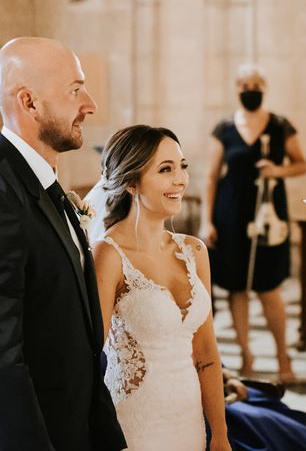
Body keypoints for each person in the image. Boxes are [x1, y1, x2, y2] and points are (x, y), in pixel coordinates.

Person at [0, 37, 125, 450]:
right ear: (29, 103)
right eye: (75, 90)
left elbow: (85, 352)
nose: (89, 104)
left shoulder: (41, 187)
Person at [87, 125, 231, 450]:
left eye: (182, 166)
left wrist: (219, 434)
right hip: (134, 422)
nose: (180, 179)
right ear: (131, 182)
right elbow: (88, 356)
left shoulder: (194, 251)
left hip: (189, 420)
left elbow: (206, 354)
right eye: (165, 170)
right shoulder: (108, 255)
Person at [199, 64, 306, 381]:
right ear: (237, 88)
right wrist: (207, 222)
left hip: (269, 212)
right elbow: (209, 176)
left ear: (265, 87)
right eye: (245, 83)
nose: (251, 88)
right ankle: (247, 355)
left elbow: (301, 164)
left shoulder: (280, 125)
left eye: (257, 83)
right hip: (230, 213)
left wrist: (278, 170)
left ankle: (282, 358)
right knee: (237, 287)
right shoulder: (224, 129)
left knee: (269, 286)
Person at [218, 369, 306, 451]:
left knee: (288, 422)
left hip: (223, 388)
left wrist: (230, 378)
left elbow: (212, 359)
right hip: (215, 404)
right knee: (248, 418)